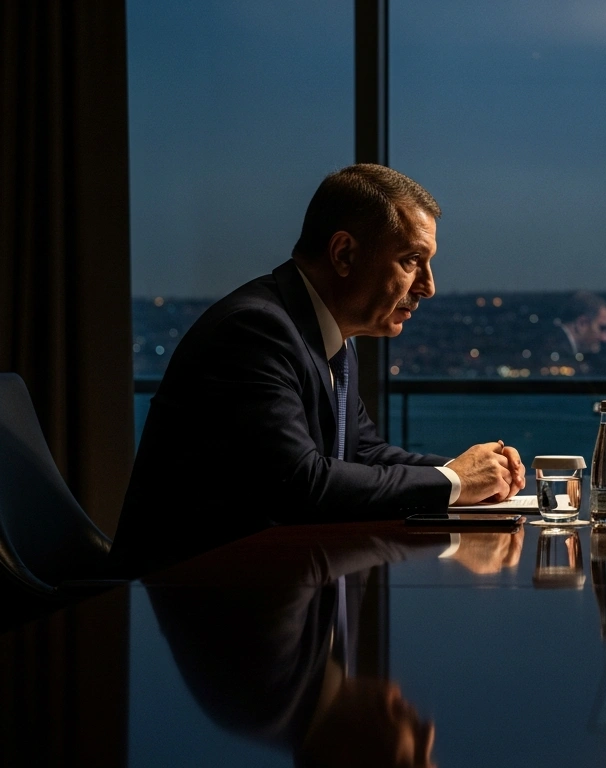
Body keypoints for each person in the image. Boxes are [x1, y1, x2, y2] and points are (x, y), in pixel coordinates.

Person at [113, 164, 526, 574]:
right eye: (411, 260)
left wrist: (474, 476)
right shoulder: (255, 331)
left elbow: (363, 453)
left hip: (270, 584)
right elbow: (299, 483)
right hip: (200, 597)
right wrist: (453, 483)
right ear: (344, 254)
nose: (428, 286)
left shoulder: (327, 334)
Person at [145, 528, 523, 768]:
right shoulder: (295, 695)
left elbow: (300, 548)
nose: (429, 732)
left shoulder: (266, 690)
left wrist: (459, 480)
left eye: (413, 760)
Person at [543, 290, 606, 373]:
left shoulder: (553, 345)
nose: (605, 338)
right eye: (601, 328)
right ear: (582, 323)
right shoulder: (557, 355)